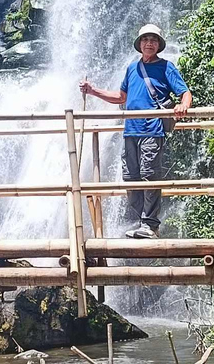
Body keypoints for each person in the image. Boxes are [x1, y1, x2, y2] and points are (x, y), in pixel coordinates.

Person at [79, 24, 192, 239]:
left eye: (153, 40)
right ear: (139, 44)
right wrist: (92, 91)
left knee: (150, 176)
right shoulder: (132, 68)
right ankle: (143, 221)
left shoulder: (166, 67)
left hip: (152, 129)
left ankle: (151, 225)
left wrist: (183, 105)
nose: (149, 43)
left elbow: (185, 92)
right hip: (130, 130)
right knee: (131, 179)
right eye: (145, 39)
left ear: (158, 45)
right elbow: (121, 97)